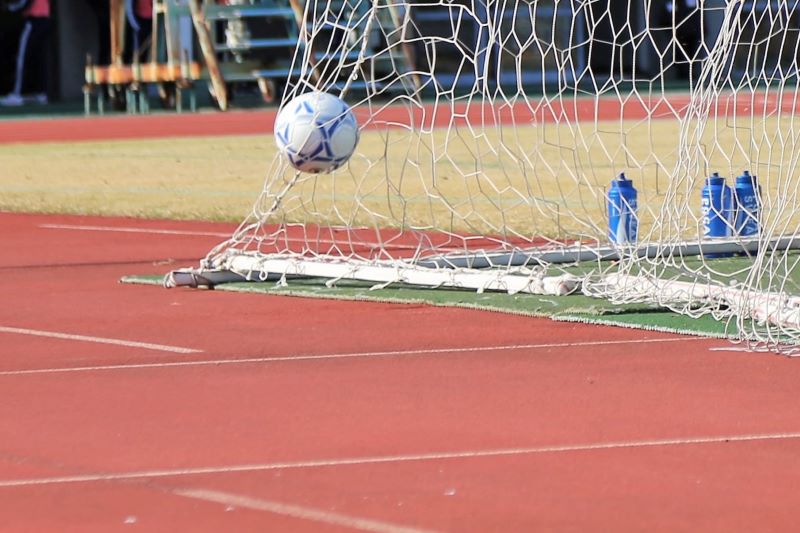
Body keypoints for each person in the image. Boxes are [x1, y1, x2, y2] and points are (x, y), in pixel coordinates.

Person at [0, 0, 51, 106]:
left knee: (21, 58)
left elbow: (25, 3)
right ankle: (40, 93)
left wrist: (10, 8)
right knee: (38, 59)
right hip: (44, 18)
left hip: (34, 19)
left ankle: (16, 94)